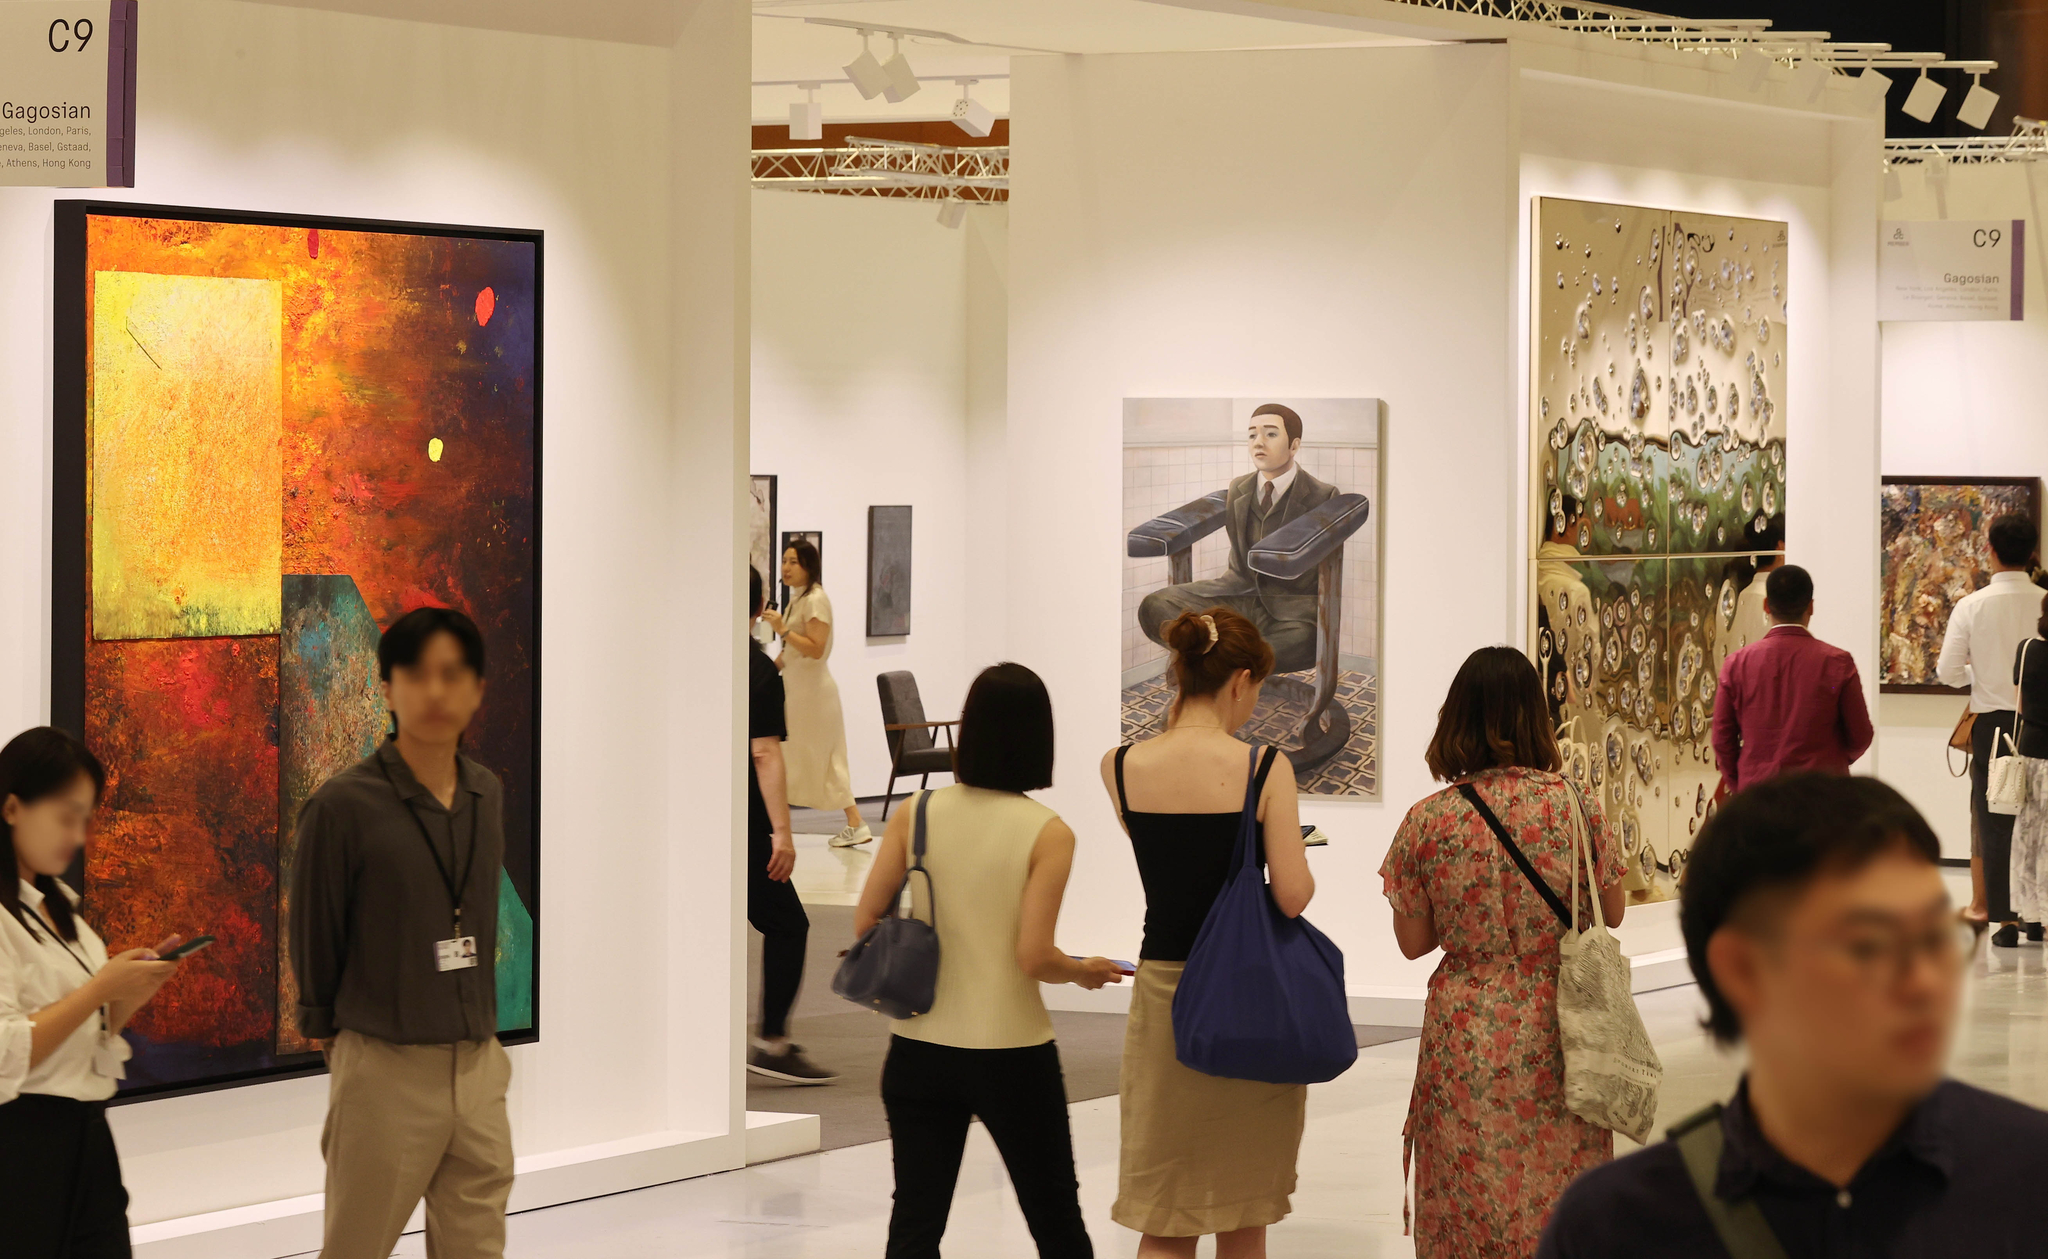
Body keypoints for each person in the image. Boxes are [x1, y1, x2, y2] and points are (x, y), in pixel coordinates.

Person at [1537, 773, 2048, 1258]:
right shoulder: (1620, 1227)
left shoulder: (2024, 1175)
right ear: (1742, 969)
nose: (1925, 982)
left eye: (1935, 938)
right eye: (1871, 945)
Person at [858, 662, 1121, 1258]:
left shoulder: (916, 812)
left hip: (918, 1047)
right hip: (1012, 1053)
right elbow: (1033, 956)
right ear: (1039, 739)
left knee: (916, 1223)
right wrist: (1082, 969)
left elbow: (865, 920)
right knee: (1055, 1218)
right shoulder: (1047, 831)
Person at [1380, 646, 1626, 1257]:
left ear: (1454, 720)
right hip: (1561, 1024)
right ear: (1534, 718)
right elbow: (1612, 912)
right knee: (1558, 1183)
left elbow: (1413, 944)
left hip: (1464, 1027)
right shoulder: (1576, 806)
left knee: (1469, 1188)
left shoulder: (1427, 821)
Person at [288, 606, 515, 1259]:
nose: (436, 691)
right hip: (384, 1067)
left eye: (453, 673)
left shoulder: (485, 792)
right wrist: (339, 1034)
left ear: (477, 688)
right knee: (357, 1245)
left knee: (477, 1247)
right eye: (416, 673)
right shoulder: (343, 805)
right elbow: (316, 926)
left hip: (477, 1065)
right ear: (386, 687)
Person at [1099, 606, 1315, 1259]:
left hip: (1165, 993)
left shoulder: (1119, 765)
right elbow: (1293, 894)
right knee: (1242, 1211)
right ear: (1241, 680)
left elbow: (1166, 865)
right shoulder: (1264, 767)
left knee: (1165, 1214)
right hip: (1248, 995)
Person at [0, 727, 184, 1257]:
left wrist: (128, 992)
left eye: (85, 819)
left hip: (87, 1138)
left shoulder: (62, 909)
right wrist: (101, 987)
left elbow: (90, 1034)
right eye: (65, 816)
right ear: (12, 807)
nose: (77, 835)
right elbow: (10, 1052)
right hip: (22, 1146)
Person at [1135, 404, 1339, 676]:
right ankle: (1225, 660)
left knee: (1295, 644)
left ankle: (1217, 660)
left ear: (1294, 445)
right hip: (1234, 593)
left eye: (1271, 434)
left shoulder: (1322, 495)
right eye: (1252, 435)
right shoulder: (1239, 488)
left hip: (1289, 611)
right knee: (1154, 606)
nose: (1259, 443)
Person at [746, 566, 834, 1084]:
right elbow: (763, 753)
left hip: (694, 819)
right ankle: (773, 1041)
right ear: (759, 608)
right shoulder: (756, 671)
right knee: (788, 924)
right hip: (743, 822)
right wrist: (782, 831)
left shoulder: (690, 660)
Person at [1936, 512, 2041, 937]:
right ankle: (2040, 916)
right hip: (2042, 723)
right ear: (2033, 552)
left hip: (1994, 726)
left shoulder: (1971, 605)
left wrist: (1981, 678)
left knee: (1995, 820)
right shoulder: (2044, 601)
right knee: (2041, 819)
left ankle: (2005, 917)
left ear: (1990, 551)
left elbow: (1947, 671)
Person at [1709, 565, 1874, 793]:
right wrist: (1833, 762)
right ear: (1811, 607)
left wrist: (1742, 784)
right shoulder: (1837, 663)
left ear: (1766, 606)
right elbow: (1861, 736)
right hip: (1822, 797)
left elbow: (1722, 739)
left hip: (1758, 796)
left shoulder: (1737, 665)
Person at [762, 538, 872, 848]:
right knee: (795, 757)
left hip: (815, 697)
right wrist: (766, 673)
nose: (786, 568)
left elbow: (815, 648)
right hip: (798, 695)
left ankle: (855, 822)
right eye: (784, 560)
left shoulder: (815, 600)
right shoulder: (798, 599)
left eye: (793, 562)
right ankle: (782, 823)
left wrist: (783, 629)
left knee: (824, 759)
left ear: (809, 566)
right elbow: (790, 653)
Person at [2007, 591, 2048, 936]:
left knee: (2029, 837)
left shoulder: (2026, 649)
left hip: (2032, 751)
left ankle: (2032, 918)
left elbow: (2019, 706)